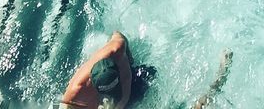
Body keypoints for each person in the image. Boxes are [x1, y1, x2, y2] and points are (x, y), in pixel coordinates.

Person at [60, 33, 232, 109]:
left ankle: (219, 78)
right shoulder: (74, 95)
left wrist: (130, 59)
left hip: (131, 77)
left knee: (149, 73)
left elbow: (118, 36)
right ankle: (220, 78)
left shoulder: (116, 50)